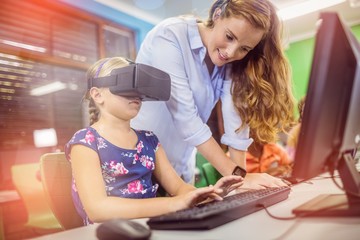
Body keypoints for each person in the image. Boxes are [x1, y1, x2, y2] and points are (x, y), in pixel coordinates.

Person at [131, 0, 295, 188]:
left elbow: (237, 126)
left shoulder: (229, 64)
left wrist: (240, 183)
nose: (231, 52)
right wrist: (240, 177)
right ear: (217, 14)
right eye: (229, 36)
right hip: (139, 166)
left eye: (244, 48)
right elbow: (186, 119)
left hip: (180, 170)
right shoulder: (170, 35)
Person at [65, 57, 243, 225]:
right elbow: (98, 209)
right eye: (127, 86)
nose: (136, 95)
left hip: (152, 226)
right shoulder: (85, 142)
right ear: (97, 95)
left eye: (139, 89)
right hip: (109, 232)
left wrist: (207, 194)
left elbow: (179, 188)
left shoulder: (149, 140)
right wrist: (173, 204)